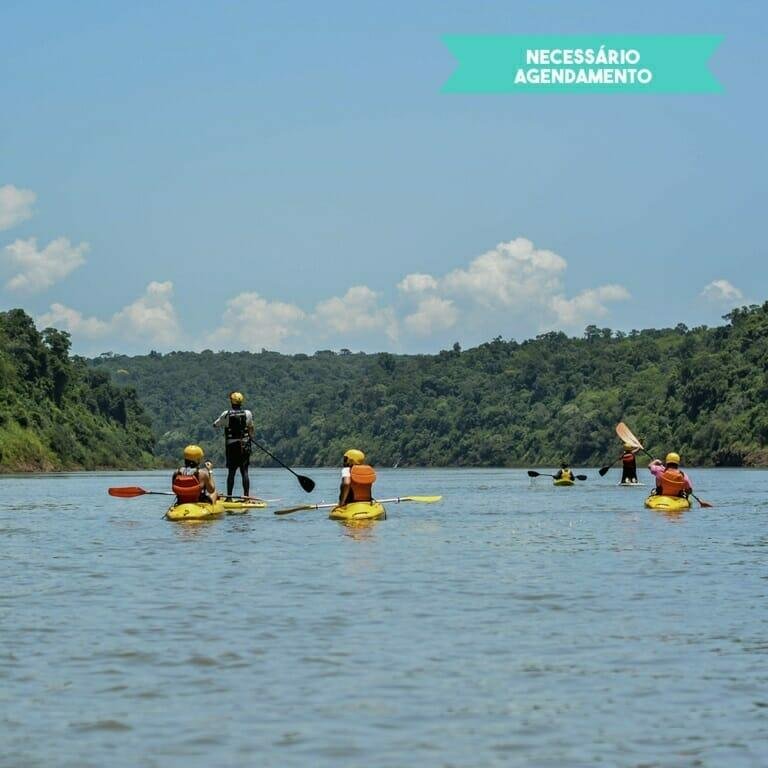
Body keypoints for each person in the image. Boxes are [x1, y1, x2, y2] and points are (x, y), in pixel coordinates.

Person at [213, 391, 254, 500]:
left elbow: (215, 424)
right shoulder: (248, 413)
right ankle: (246, 497)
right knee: (245, 471)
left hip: (232, 447)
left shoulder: (226, 414)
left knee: (231, 472)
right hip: (245, 446)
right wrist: (250, 438)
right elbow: (251, 428)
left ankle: (229, 497)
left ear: (232, 402)